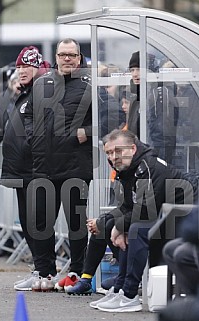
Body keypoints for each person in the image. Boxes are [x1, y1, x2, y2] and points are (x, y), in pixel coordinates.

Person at [67, 129, 197, 312]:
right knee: (109, 224)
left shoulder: (148, 167)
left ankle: (129, 295)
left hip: (185, 218)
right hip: (161, 216)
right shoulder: (127, 169)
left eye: (118, 151)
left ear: (133, 148)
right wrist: (108, 222)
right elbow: (127, 206)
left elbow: (145, 209)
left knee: (135, 229)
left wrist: (119, 228)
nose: (113, 157)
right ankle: (119, 286)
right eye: (109, 153)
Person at [21, 38, 92, 291]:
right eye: (63, 55)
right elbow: (27, 115)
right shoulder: (42, 83)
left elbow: (110, 117)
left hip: (75, 166)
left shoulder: (90, 86)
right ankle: (46, 272)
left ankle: (77, 272)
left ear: (80, 58)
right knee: (40, 221)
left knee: (75, 222)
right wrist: (33, 137)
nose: (67, 59)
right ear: (57, 57)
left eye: (72, 55)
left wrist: (88, 131)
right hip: (43, 166)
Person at [0, 46, 51, 290]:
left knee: (38, 222)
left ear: (38, 68)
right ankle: (40, 269)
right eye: (19, 66)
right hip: (20, 170)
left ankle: (46, 272)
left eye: (27, 66)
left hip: (35, 169)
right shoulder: (24, 93)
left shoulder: (42, 92)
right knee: (26, 221)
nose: (21, 71)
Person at [128, 51, 179, 164]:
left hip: (153, 157)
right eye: (132, 70)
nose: (135, 74)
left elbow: (163, 133)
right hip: (139, 155)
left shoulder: (159, 94)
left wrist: (158, 160)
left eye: (139, 69)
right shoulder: (137, 95)